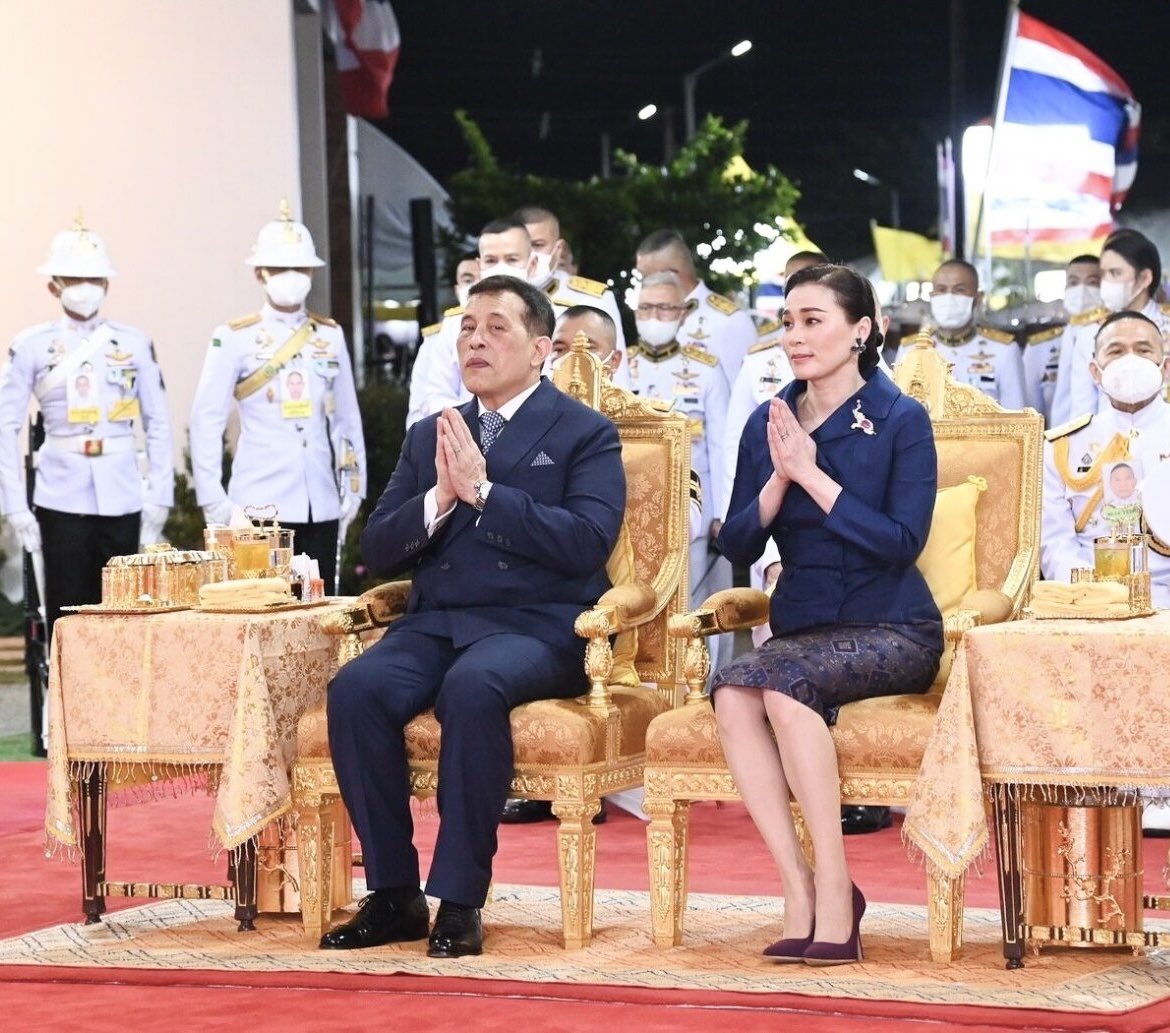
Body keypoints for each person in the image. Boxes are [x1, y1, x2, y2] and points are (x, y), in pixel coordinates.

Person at [320, 274, 626, 955]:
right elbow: (378, 547)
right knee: (356, 689)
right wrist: (441, 498)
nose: (475, 342)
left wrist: (485, 492)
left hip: (539, 624)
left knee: (473, 685)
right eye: (467, 328)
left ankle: (459, 899)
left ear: (540, 348)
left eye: (496, 328)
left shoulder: (585, 433)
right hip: (438, 621)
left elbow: (586, 542)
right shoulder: (432, 432)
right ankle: (394, 894)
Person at [713, 263, 942, 964]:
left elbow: (902, 541)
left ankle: (839, 888)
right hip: (805, 625)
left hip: (893, 624)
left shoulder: (900, 419)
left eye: (813, 321)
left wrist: (812, 474)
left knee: (783, 688)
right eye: (788, 322)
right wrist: (779, 478)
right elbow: (737, 544)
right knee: (732, 692)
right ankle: (800, 886)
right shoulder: (769, 422)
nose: (795, 336)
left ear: (861, 330)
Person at [0, 216, 173, 641]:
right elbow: (5, 425)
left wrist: (160, 495)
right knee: (69, 614)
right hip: (61, 495)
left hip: (123, 492)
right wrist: (15, 506)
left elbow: (157, 422)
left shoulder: (133, 343)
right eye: (74, 279)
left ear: (107, 284)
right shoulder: (32, 345)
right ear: (53, 286)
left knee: (127, 615)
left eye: (93, 279)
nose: (84, 288)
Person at [1040, 310, 1170, 835]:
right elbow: (1053, 542)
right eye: (1116, 350)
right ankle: (1101, 781)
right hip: (1093, 598)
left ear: (1166, 364)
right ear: (1095, 370)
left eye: (1144, 348)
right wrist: (1095, 593)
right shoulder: (1062, 446)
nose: (1131, 360)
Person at [189, 202, 365, 589]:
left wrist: (354, 486)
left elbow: (346, 420)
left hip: (319, 500)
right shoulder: (234, 337)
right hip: (258, 505)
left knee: (318, 608)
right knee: (261, 608)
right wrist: (214, 500)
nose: (292, 277)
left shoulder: (329, 335)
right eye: (281, 268)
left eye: (300, 269)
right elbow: (206, 419)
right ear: (260, 273)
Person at [626, 270, 732, 672]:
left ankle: (701, 689)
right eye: (646, 308)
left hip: (692, 514)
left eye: (664, 308)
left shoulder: (705, 370)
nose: (654, 317)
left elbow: (722, 446)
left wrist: (723, 513)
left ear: (683, 312)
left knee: (694, 609)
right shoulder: (621, 365)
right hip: (630, 513)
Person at [1051, 230, 1167, 426]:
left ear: (1144, 278)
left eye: (1115, 273)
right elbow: (1081, 411)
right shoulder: (1090, 332)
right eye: (1103, 274)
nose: (1107, 283)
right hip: (1109, 442)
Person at [891, 259, 1026, 409]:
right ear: (932, 296)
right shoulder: (910, 349)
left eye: (959, 290)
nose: (949, 297)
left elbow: (1016, 413)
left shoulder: (1004, 350)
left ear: (978, 298)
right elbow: (898, 411)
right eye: (941, 289)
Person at [635, 229, 756, 386]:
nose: (643, 284)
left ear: (671, 274)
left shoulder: (729, 321)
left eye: (647, 277)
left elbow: (743, 391)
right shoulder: (648, 315)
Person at [1023, 254, 1102, 422]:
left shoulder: (1112, 341)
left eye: (1092, 282)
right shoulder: (1040, 347)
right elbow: (1030, 411)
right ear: (1065, 289)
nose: (1081, 290)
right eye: (1073, 283)